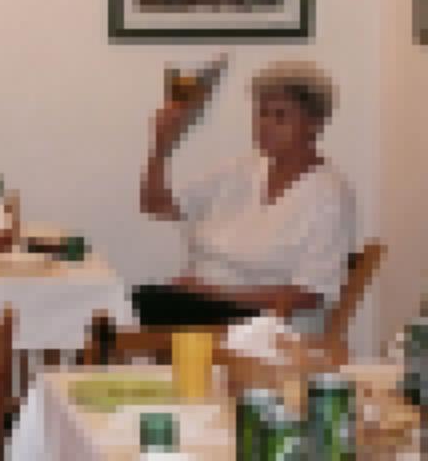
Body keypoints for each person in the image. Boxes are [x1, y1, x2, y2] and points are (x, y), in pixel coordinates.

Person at [140, 60, 356, 333]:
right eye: (261, 114)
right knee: (116, 311)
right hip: (200, 306)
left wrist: (214, 294)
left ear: (314, 124)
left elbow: (309, 295)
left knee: (126, 315)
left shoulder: (329, 196)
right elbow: (155, 205)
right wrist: (160, 147)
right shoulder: (240, 170)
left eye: (280, 116)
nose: (266, 125)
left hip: (266, 323)